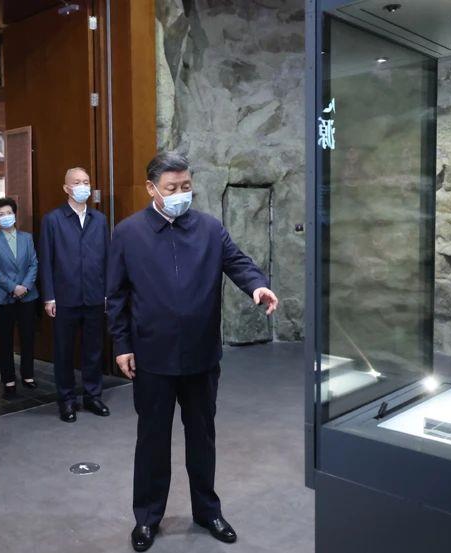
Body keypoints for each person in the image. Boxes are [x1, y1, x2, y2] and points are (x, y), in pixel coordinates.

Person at [106, 152, 278, 551]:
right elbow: (116, 295)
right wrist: (122, 344)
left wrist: (257, 285)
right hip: (153, 357)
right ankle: (147, 517)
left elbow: (238, 262)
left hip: (201, 356)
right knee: (152, 440)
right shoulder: (128, 234)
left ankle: (207, 511)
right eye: (172, 188)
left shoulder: (209, 228)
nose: (181, 194)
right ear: (151, 188)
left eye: (186, 186)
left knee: (202, 437)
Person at [39, 167, 110, 422]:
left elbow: (107, 257)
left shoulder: (99, 219)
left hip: (94, 295)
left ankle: (93, 396)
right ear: (66, 188)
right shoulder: (53, 219)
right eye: (77, 182)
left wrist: (107, 293)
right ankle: (67, 399)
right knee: (64, 351)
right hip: (64, 297)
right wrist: (49, 296)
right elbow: (46, 259)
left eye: (86, 182)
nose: (83, 186)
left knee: (94, 349)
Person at [0, 197, 39, 397]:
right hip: (4, 297)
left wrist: (25, 286)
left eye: (9, 213)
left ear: (15, 214)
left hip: (28, 295)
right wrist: (13, 287)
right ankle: (8, 378)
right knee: (6, 339)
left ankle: (28, 375)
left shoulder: (27, 238)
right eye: (1, 214)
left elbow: (34, 263)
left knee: (28, 337)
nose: (6, 216)